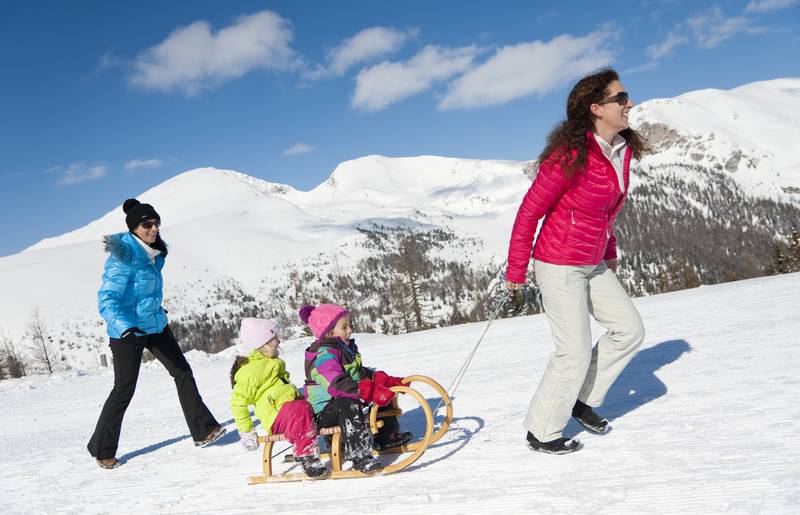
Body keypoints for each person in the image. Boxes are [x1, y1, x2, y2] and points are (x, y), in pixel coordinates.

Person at [506, 67, 647, 454]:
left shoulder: (621, 150)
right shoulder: (571, 154)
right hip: (558, 263)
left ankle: (583, 400)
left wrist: (609, 252)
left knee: (629, 330)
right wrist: (516, 269)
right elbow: (529, 212)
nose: (629, 104)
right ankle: (542, 430)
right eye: (621, 98)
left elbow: (606, 212)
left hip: (593, 261)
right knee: (574, 350)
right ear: (596, 108)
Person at [87, 198, 225, 469]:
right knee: (124, 389)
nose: (153, 228)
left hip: (155, 324)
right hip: (127, 331)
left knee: (182, 372)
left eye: (156, 222)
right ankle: (102, 448)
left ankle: (203, 430)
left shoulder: (154, 252)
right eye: (146, 224)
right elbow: (107, 299)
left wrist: (156, 312)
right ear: (134, 228)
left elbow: (145, 292)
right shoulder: (123, 256)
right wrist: (126, 326)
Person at [300, 303, 411, 473]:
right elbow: (335, 382)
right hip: (325, 412)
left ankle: (386, 437)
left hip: (345, 401)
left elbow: (359, 373)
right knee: (349, 402)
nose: (350, 330)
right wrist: (363, 390)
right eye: (344, 327)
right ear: (328, 331)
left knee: (378, 390)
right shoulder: (324, 354)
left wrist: (383, 381)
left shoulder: (344, 349)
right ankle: (360, 454)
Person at [230, 318, 327, 478]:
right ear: (264, 343)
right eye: (275, 338)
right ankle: (306, 456)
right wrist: (246, 432)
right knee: (300, 408)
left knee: (313, 404)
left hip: (291, 413)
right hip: (276, 418)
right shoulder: (251, 371)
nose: (279, 341)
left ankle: (334, 440)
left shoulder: (272, 363)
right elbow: (238, 403)